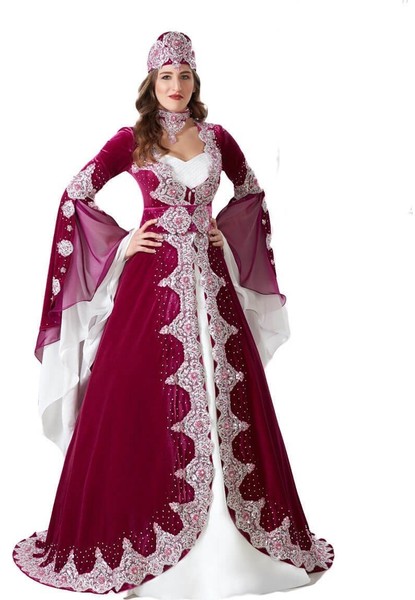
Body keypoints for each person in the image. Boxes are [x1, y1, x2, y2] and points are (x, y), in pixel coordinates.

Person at [12, 31, 334, 598]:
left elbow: (250, 192)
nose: (176, 85)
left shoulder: (216, 138)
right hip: (150, 289)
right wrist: (122, 244)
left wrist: (223, 233)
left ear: (194, 80)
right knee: (136, 396)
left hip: (212, 290)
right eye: (166, 76)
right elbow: (76, 193)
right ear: (152, 83)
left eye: (184, 75)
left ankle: (235, 541)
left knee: (227, 393)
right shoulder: (132, 140)